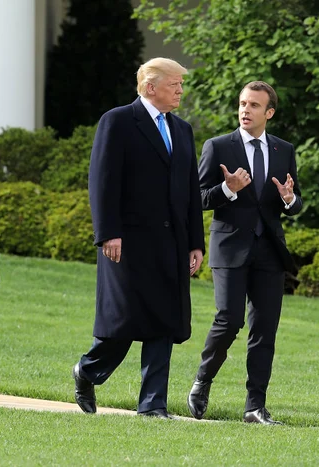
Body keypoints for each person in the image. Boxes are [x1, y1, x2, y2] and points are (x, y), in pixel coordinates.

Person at [72, 57, 205, 419]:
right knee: (124, 323)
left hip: (172, 243)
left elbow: (190, 190)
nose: (180, 90)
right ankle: (87, 371)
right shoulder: (117, 121)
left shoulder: (183, 130)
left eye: (181, 84)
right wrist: (108, 234)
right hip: (126, 243)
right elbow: (102, 181)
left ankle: (152, 405)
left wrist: (196, 241)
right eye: (174, 84)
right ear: (150, 87)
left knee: (164, 321)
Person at [187, 81, 302, 425]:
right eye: (242, 104)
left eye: (253, 105)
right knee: (230, 319)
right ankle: (202, 381)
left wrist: (288, 199)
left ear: (269, 113)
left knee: (264, 329)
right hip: (230, 247)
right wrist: (227, 188)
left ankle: (255, 407)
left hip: (269, 252)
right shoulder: (218, 146)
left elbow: (295, 202)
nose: (245, 110)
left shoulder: (284, 150)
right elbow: (199, 198)